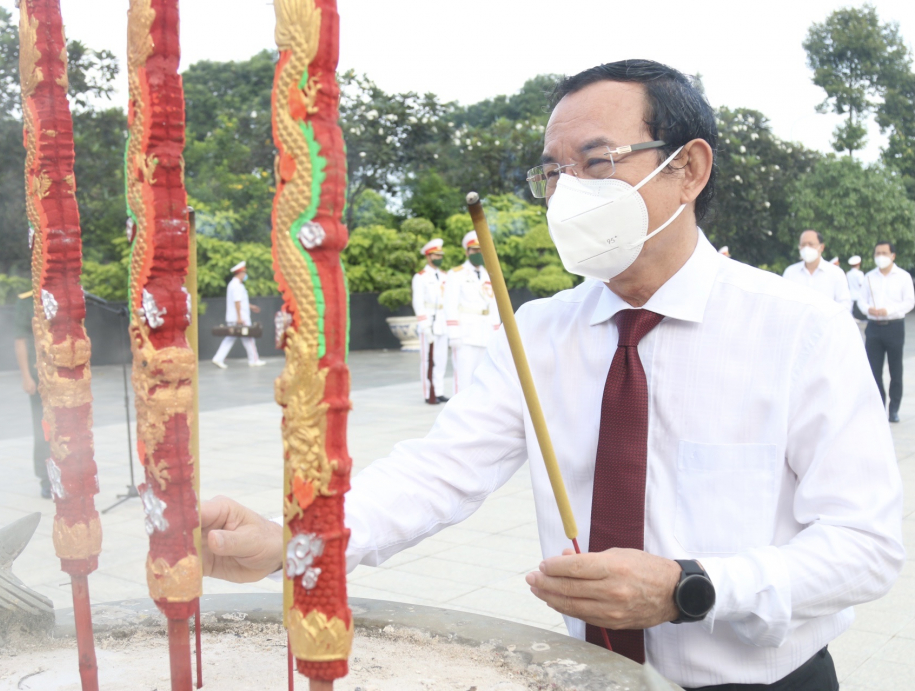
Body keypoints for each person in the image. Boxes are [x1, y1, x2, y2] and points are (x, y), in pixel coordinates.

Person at [198, 60, 903, 690]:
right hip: (591, 676)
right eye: (553, 172)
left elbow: (866, 544)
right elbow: (435, 473)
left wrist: (690, 585)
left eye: (596, 163)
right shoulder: (538, 331)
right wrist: (294, 540)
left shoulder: (800, 329)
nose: (568, 192)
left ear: (689, 168)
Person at [859, 241, 915, 423]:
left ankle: (894, 410)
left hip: (894, 326)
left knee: (895, 370)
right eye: (877, 253)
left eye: (884, 253)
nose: (880, 256)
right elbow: (861, 300)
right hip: (874, 328)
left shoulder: (903, 277)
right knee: (873, 371)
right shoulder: (869, 277)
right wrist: (869, 310)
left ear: (893, 255)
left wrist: (888, 310)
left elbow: (909, 302)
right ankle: (878, 408)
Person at [443, 231, 500, 393]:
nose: (478, 253)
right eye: (475, 250)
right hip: (465, 334)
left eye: (481, 250)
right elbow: (450, 305)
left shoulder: (490, 273)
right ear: (467, 252)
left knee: (484, 377)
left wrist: (497, 333)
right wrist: (453, 333)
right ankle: (459, 414)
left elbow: (494, 305)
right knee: (463, 377)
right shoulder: (456, 274)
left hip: (486, 333)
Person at [13, 290, 53, 498]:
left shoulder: (66, 294)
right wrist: (26, 376)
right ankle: (46, 478)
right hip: (40, 376)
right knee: (42, 427)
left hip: (64, 375)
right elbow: (21, 340)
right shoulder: (26, 301)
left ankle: (72, 472)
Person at [412, 238, 449, 404]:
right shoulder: (420, 277)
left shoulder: (445, 276)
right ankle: (429, 393)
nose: (438, 258)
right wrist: (425, 325)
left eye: (440, 255)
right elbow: (418, 302)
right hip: (429, 322)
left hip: (442, 321)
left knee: (441, 359)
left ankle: (439, 390)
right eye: (435, 255)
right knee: (427, 360)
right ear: (428, 257)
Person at [212, 260, 265, 369]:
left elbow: (241, 301)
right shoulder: (236, 285)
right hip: (241, 317)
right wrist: (239, 317)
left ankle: (218, 358)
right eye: (244, 273)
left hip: (235, 317)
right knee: (249, 338)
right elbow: (237, 302)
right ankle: (254, 360)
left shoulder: (234, 284)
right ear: (240, 273)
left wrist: (251, 306)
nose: (245, 275)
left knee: (230, 338)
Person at [781, 230, 851, 311]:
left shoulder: (836, 273)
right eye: (803, 245)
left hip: (827, 322)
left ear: (821, 247)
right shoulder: (790, 272)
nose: (806, 248)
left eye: (811, 244)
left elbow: (845, 304)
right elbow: (784, 303)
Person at [846, 255, 867, 328]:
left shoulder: (848, 273)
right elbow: (862, 285)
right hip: (858, 296)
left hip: (851, 295)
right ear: (858, 264)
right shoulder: (859, 273)